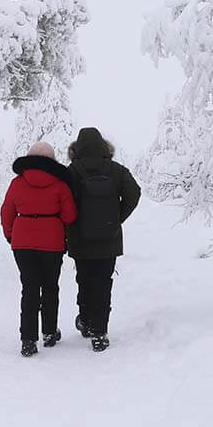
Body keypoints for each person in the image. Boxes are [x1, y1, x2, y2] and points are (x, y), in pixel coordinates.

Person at [66, 127, 141, 352]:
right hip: (109, 238)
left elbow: (63, 201)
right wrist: (117, 217)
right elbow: (134, 193)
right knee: (103, 283)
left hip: (80, 238)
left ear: (77, 148)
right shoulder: (117, 170)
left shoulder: (72, 172)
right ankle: (100, 332)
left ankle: (86, 320)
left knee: (84, 279)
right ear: (104, 146)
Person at [0, 141, 77, 357]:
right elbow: (70, 216)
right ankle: (50, 333)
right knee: (50, 287)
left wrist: (10, 234)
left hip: (22, 243)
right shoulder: (61, 185)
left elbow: (6, 212)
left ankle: (28, 340)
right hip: (52, 243)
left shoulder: (17, 183)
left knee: (29, 289)